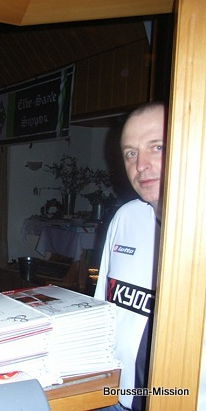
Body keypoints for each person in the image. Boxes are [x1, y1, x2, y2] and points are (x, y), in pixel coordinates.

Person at [94, 101, 166, 410]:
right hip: (114, 397)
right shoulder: (125, 217)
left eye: (157, 147)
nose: (141, 165)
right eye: (131, 153)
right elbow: (104, 309)